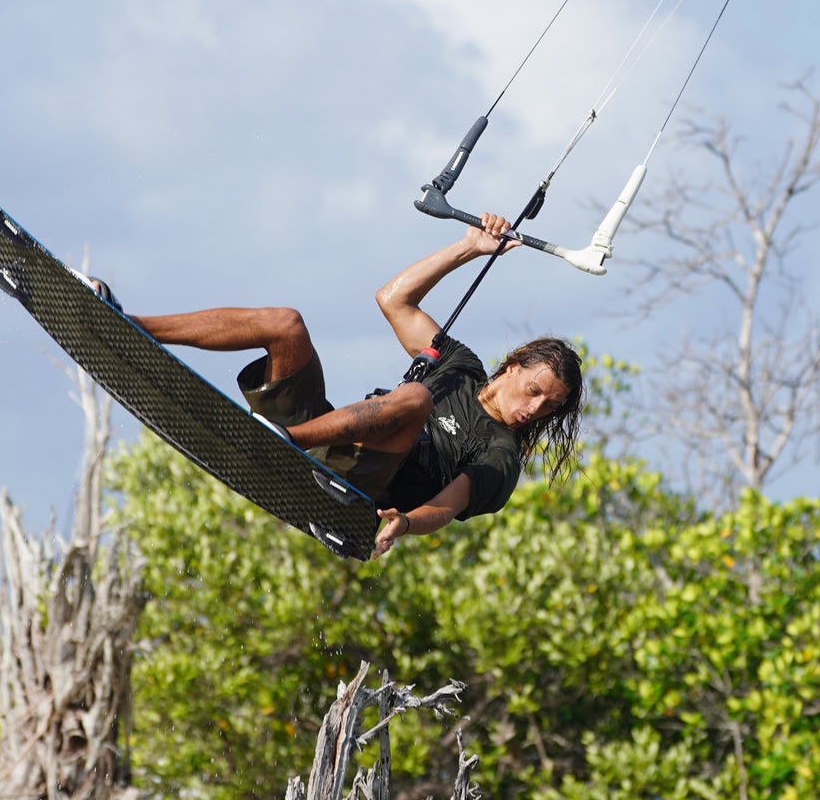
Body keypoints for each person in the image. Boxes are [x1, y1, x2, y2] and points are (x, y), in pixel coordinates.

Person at [103, 215, 582, 559]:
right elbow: (394, 299)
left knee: (414, 399)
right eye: (535, 390)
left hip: (356, 487)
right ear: (515, 365)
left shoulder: (499, 453)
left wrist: (407, 523)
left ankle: (284, 438)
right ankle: (130, 322)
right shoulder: (459, 366)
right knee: (286, 325)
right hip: (325, 435)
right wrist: (469, 248)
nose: (535, 409)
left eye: (550, 406)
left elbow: (447, 505)